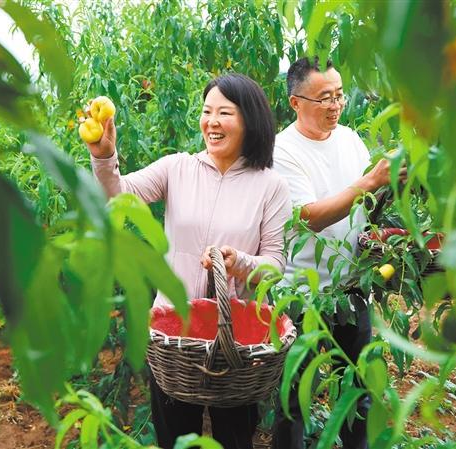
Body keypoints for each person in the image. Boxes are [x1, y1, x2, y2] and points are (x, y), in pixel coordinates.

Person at [85, 73, 292, 449]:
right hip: (174, 338)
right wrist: (103, 156)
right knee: (176, 438)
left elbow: (275, 263)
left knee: (234, 438)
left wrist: (240, 261)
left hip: (235, 342)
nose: (211, 122)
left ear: (250, 120)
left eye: (224, 113)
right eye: (206, 111)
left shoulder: (270, 186)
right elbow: (118, 195)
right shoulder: (177, 168)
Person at [272, 57, 404, 449]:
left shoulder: (349, 139)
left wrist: (390, 194)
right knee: (293, 400)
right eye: (325, 98)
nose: (336, 105)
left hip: (352, 291)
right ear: (296, 102)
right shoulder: (283, 151)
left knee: (358, 394)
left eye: (340, 95)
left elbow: (366, 206)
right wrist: (370, 181)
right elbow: (308, 217)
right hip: (303, 296)